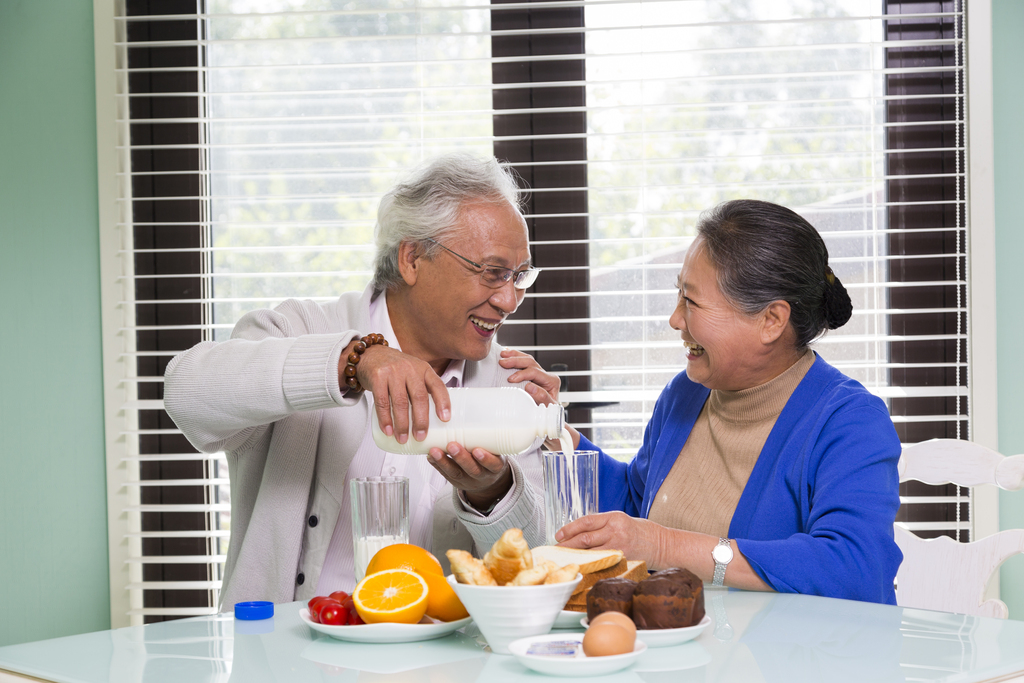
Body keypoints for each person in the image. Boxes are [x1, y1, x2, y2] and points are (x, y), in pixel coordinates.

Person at [164, 154, 559, 609]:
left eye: (520, 276)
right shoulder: (305, 329)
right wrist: (354, 362)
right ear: (412, 259)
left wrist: (492, 492)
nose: (510, 300)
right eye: (492, 273)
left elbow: (534, 566)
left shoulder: (510, 383)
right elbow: (186, 391)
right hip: (283, 662)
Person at [552, 199, 902, 604]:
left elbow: (854, 567)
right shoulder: (685, 395)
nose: (675, 319)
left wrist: (666, 547)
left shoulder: (848, 421)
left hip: (794, 664)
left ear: (771, 320)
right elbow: (638, 505)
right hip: (685, 655)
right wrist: (555, 435)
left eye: (691, 302)